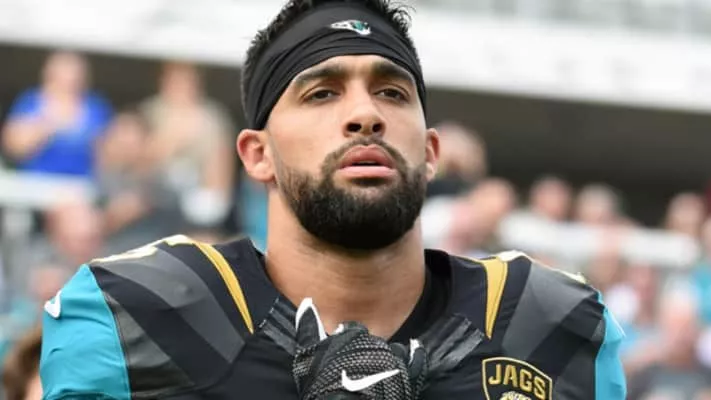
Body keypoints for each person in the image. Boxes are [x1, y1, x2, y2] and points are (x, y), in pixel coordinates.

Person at [39, 0, 626, 399]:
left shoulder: (547, 328)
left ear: (430, 152)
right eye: (321, 93)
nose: (365, 114)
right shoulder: (141, 317)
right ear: (257, 155)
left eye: (391, 92)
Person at [0, 51, 112, 179]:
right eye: (61, 76)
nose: (68, 81)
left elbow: (108, 155)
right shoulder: (30, 101)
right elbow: (13, 148)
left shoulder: (96, 107)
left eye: (74, 76)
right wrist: (46, 126)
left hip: (81, 183)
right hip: (35, 180)